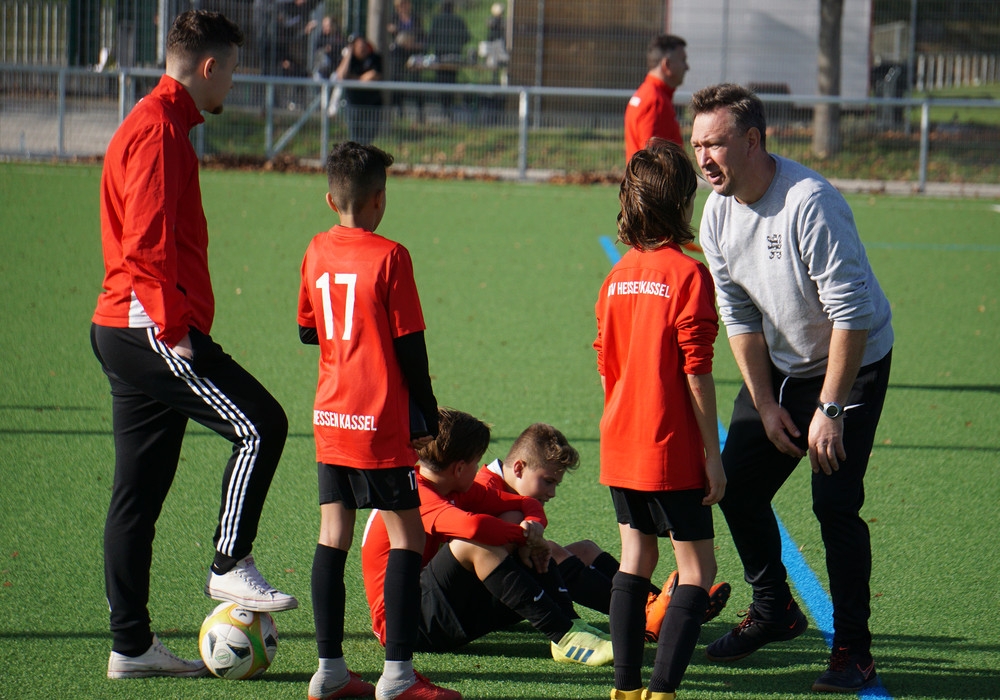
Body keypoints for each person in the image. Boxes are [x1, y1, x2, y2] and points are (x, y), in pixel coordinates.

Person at [91, 10, 298, 681]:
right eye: (231, 71)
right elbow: (146, 243)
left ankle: (130, 647)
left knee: (137, 498)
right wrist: (177, 334)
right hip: (148, 328)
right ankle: (229, 563)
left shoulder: (162, 122)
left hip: (128, 327)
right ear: (208, 67)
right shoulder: (157, 129)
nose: (232, 83)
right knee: (263, 424)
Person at [689, 83, 894, 693]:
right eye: (697, 145)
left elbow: (852, 314)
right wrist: (763, 401)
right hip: (783, 367)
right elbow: (738, 316)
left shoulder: (810, 202)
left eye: (715, 144)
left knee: (834, 504)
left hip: (851, 362)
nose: (704, 158)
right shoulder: (716, 213)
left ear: (753, 141)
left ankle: (854, 651)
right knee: (734, 485)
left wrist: (830, 408)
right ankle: (775, 608)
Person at [297, 142, 453, 700]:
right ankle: (398, 676)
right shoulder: (391, 256)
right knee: (408, 535)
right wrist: (428, 410)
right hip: (377, 420)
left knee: (332, 535)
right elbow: (411, 346)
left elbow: (308, 329)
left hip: (329, 415)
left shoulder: (316, 248)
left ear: (330, 198)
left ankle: (329, 672)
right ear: (380, 199)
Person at [594, 138, 726, 700]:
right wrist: (712, 455)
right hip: (668, 448)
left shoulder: (616, 276)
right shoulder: (689, 275)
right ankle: (663, 691)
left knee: (635, 558)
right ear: (683, 202)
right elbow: (697, 372)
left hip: (620, 442)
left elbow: (606, 367)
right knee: (696, 570)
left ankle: (625, 690)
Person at [361, 408, 615, 667]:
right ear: (460, 468)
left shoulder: (455, 488)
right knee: (473, 544)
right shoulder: (418, 494)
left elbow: (526, 504)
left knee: (517, 519)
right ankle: (564, 635)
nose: (480, 469)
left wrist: (532, 528)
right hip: (403, 625)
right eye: (476, 462)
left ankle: (578, 623)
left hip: (437, 606)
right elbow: (472, 528)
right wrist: (526, 536)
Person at [475, 424, 731, 641]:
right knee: (550, 550)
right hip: (489, 599)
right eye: (548, 481)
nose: (552, 493)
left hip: (512, 588)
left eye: (555, 484)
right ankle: (646, 615)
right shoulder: (485, 488)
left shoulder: (505, 487)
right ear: (519, 468)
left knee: (586, 549)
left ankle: (664, 605)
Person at [624, 34, 689, 162]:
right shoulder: (656, 101)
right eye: (683, 60)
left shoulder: (645, 93)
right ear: (667, 64)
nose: (687, 67)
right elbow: (652, 160)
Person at [335, 35, 384, 144]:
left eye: (363, 45)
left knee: (369, 135)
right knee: (354, 137)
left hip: (372, 104)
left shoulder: (374, 58)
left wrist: (352, 79)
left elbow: (373, 75)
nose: (362, 49)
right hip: (353, 104)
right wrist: (348, 55)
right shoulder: (349, 60)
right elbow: (341, 76)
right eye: (358, 46)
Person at [427, 1, 470, 113]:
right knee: (451, 82)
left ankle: (444, 106)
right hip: (454, 57)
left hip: (440, 57)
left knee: (441, 82)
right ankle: (449, 106)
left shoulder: (437, 19)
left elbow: (430, 37)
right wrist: (456, 44)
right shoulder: (459, 20)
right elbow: (467, 37)